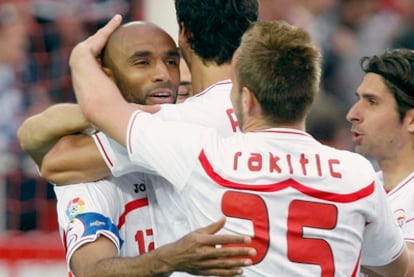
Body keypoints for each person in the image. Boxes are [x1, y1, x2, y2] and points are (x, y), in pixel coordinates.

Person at [69, 15, 409, 276]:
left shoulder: (202, 153)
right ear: (308, 97)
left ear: (246, 99)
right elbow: (398, 269)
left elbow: (98, 107)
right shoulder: (357, 175)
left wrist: (81, 56)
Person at [18, 21, 254, 277]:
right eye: (142, 63)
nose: (163, 74)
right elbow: (90, 271)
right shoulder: (87, 166)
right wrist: (169, 259)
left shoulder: (189, 141)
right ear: (108, 77)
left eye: (171, 61)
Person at [37, 0, 259, 185]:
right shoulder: (275, 109)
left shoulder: (176, 123)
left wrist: (81, 56)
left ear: (184, 33)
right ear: (251, 32)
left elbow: (56, 164)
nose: (162, 74)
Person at [346, 48, 414, 276]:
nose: (353, 114)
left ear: (411, 119)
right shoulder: (363, 187)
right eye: (358, 99)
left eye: (372, 102)